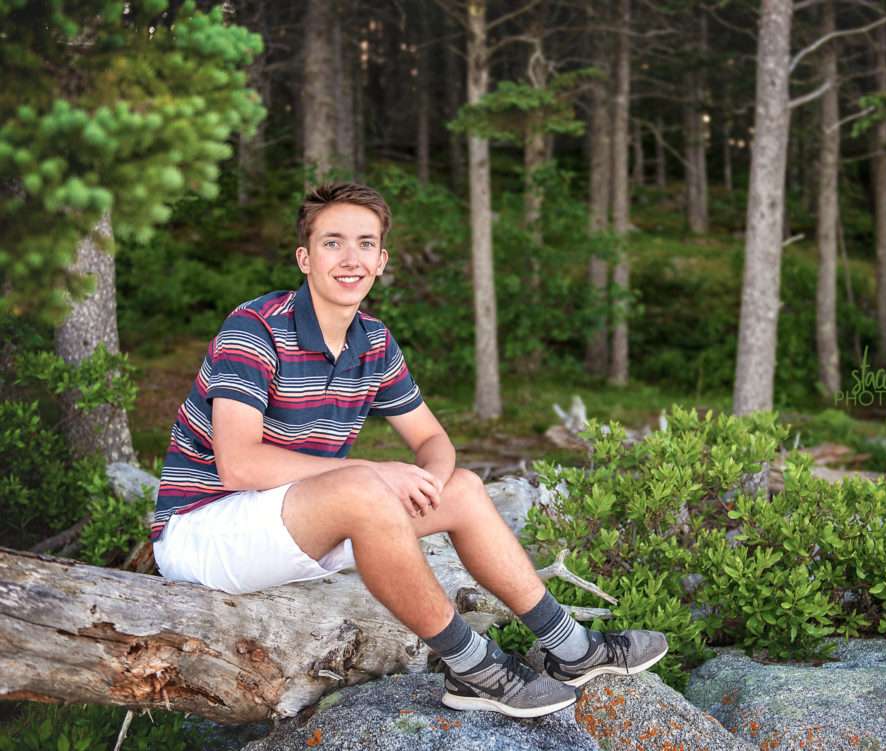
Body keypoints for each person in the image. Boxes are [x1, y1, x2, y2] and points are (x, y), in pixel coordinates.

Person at [151, 182, 667, 718]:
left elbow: (431, 440)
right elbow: (239, 464)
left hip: (299, 523)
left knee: (463, 489)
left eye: (366, 244)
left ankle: (571, 648)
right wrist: (378, 474)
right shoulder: (255, 329)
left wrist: (429, 482)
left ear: (381, 261)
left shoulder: (373, 341)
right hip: (203, 531)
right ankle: (473, 668)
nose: (350, 258)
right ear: (304, 258)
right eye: (332, 243)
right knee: (362, 489)